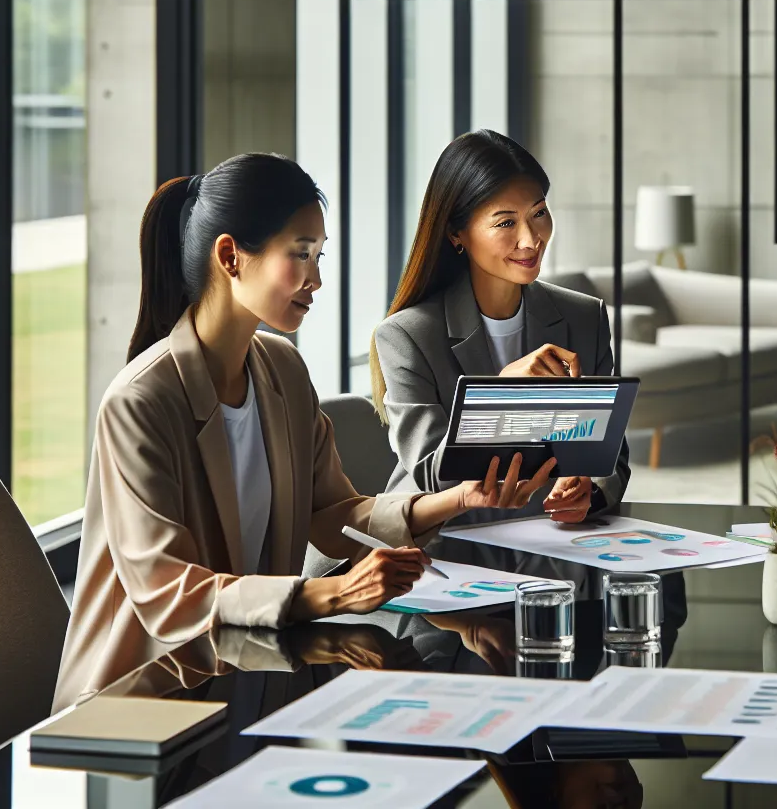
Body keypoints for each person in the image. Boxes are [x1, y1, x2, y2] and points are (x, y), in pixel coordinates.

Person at [55, 153, 551, 709]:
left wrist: (454, 500)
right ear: (230, 256)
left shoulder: (281, 368)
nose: (316, 279)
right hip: (144, 699)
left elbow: (333, 516)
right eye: (299, 255)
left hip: (256, 669)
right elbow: (168, 594)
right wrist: (333, 593)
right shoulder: (140, 401)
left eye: (319, 255)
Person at [374, 130, 628, 518]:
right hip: (444, 536)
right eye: (505, 223)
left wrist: (587, 489)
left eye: (539, 213)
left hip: (547, 536)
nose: (531, 239)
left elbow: (611, 455)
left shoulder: (583, 317)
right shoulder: (406, 335)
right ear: (456, 234)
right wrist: (503, 392)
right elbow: (430, 473)